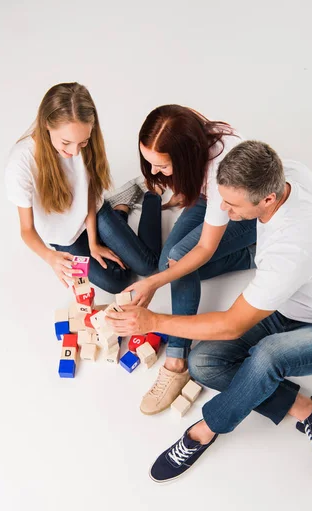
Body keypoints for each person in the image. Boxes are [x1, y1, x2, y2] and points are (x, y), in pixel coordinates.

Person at [106, 140, 312, 482]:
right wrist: (157, 280)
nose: (225, 213)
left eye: (232, 206)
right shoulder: (285, 172)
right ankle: (308, 409)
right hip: (291, 303)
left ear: (268, 199)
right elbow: (207, 244)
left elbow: (231, 325)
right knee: (203, 364)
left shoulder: (293, 250)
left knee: (268, 355)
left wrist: (152, 320)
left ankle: (206, 429)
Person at [123, 105, 257, 414]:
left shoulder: (222, 171)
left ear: (185, 156)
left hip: (242, 213)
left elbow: (203, 250)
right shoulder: (195, 140)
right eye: (149, 162)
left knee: (180, 259)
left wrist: (153, 284)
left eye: (163, 166)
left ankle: (176, 360)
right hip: (209, 198)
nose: (154, 172)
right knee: (169, 264)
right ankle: (250, 255)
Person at [5, 82, 162, 294]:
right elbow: (26, 230)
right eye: (66, 142)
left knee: (148, 265)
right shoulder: (21, 162)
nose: (75, 151)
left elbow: (87, 191)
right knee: (119, 283)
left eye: (83, 142)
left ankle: (152, 193)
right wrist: (50, 257)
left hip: (93, 211)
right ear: (46, 125)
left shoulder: (82, 144)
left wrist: (94, 242)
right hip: (64, 236)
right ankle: (121, 208)